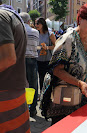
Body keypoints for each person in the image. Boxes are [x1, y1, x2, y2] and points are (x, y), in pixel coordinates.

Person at [46, 3, 87, 125]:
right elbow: (57, 70)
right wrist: (79, 83)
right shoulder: (68, 39)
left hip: (83, 101)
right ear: (80, 19)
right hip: (65, 102)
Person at [0, 3, 30, 133]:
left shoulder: (1, 17)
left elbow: (8, 58)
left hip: (4, 94)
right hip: (13, 91)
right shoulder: (10, 15)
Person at [19, 12, 39, 117]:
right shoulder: (35, 32)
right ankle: (33, 109)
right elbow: (36, 45)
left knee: (21, 85)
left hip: (20, 61)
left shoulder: (17, 30)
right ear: (29, 21)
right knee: (33, 85)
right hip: (31, 59)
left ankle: (23, 108)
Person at [35, 17, 56, 94]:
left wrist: (47, 47)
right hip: (38, 59)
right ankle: (42, 94)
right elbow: (36, 46)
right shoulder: (36, 33)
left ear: (42, 24)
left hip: (48, 60)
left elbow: (56, 46)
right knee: (40, 78)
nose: (36, 25)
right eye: (35, 23)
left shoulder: (50, 34)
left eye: (37, 23)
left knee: (48, 79)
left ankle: (48, 95)